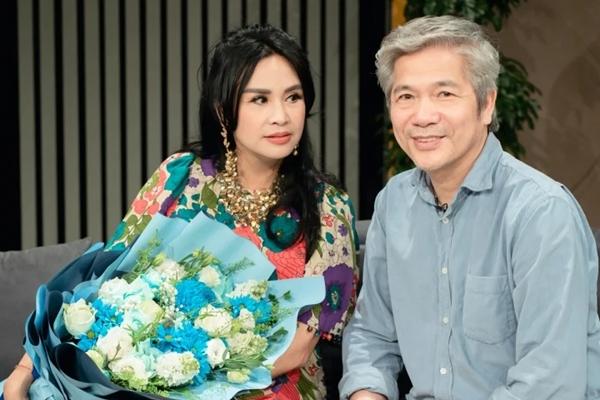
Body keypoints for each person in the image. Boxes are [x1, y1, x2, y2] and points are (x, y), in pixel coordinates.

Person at [4, 24, 359, 400]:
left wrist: (195, 386)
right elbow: (103, 284)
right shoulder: (181, 176)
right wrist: (24, 371)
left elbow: (297, 349)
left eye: (293, 97)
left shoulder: (329, 206)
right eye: (260, 99)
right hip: (161, 380)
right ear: (223, 110)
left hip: (271, 385)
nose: (282, 116)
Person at [340, 15, 600, 400]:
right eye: (406, 96)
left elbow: (548, 382)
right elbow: (372, 334)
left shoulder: (541, 212)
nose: (422, 116)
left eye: (445, 94)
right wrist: (368, 393)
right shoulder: (394, 202)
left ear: (486, 104)